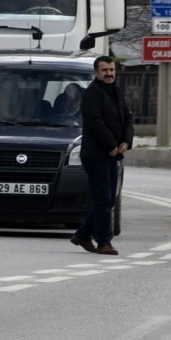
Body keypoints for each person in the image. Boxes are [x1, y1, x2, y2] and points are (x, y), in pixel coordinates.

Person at [71, 54, 133, 255]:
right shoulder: (92, 93)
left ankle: (82, 234)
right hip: (96, 155)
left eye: (112, 70)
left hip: (112, 155)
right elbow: (94, 121)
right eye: (105, 70)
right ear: (96, 73)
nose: (109, 73)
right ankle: (104, 242)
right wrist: (110, 144)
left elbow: (127, 117)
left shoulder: (115, 91)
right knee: (104, 199)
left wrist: (125, 141)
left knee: (107, 199)